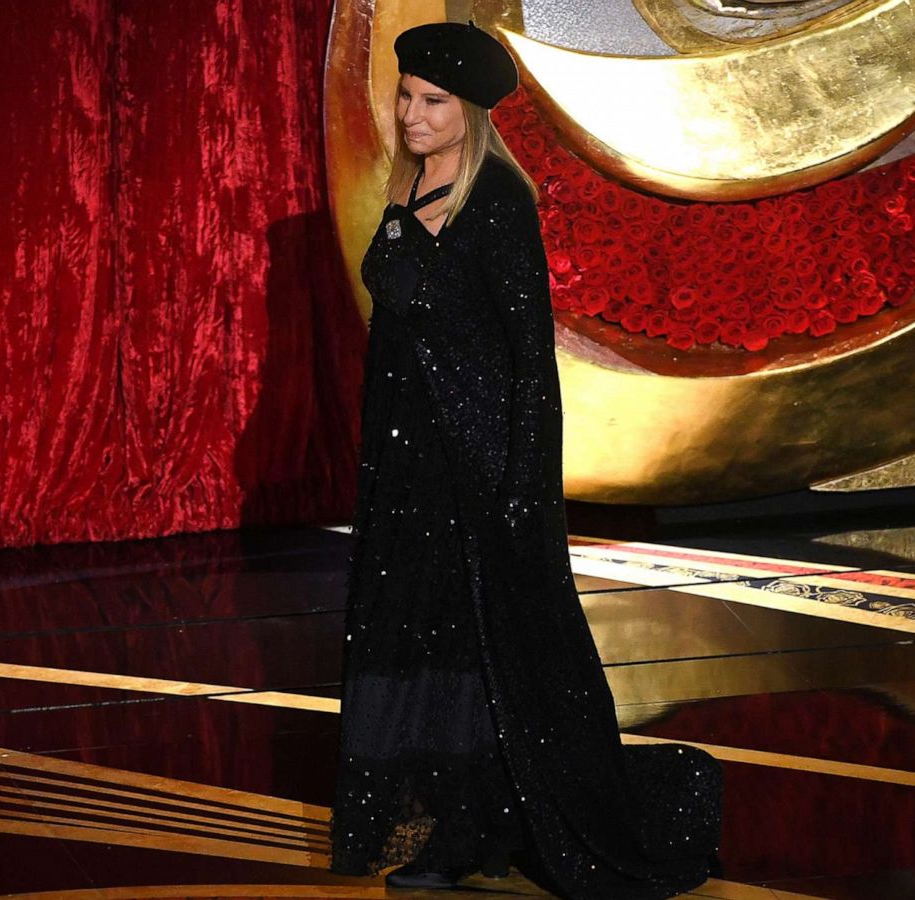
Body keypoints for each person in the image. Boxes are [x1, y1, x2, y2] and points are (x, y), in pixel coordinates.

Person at [328, 20, 723, 898]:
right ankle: (455, 817)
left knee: (481, 651)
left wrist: (522, 484)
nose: (412, 113)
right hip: (409, 473)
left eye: (433, 102)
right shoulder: (406, 187)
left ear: (470, 112)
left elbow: (527, 358)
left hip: (478, 468)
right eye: (406, 95)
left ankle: (470, 831)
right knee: (424, 645)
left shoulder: (497, 202)